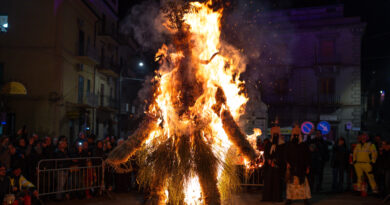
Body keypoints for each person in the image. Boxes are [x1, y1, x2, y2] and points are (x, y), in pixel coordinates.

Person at [285, 127, 311, 205]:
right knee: (291, 184)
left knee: (303, 184)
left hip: (301, 168)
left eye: (297, 135)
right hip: (292, 167)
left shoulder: (303, 145)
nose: (296, 137)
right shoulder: (289, 144)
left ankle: (305, 199)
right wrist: (287, 163)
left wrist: (308, 167)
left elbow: (307, 156)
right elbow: (286, 155)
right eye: (294, 135)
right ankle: (289, 199)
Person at [262, 128, 285, 202]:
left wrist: (275, 161)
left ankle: (276, 197)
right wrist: (269, 160)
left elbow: (282, 155)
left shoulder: (282, 144)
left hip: (277, 167)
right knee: (269, 182)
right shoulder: (268, 144)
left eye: (276, 134)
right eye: (274, 134)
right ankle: (268, 197)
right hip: (269, 167)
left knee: (277, 182)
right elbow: (266, 153)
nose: (275, 135)